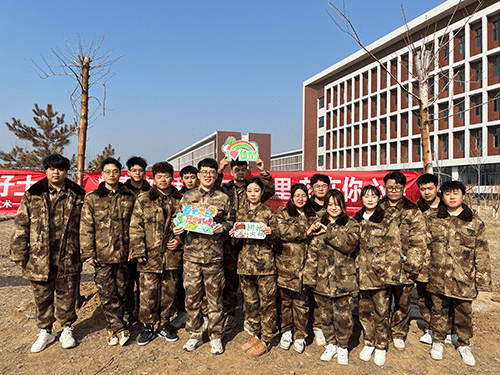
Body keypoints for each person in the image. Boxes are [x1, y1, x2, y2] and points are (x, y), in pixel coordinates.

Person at [10, 154, 86, 353]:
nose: (56, 172)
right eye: (52, 168)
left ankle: (67, 328)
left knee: (67, 294)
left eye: (60, 169)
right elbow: (21, 223)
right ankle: (45, 330)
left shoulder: (78, 194)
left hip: (68, 254)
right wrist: (19, 253)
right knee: (42, 296)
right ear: (46, 170)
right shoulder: (33, 194)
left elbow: (86, 226)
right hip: (38, 256)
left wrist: (86, 252)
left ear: (65, 171)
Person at [173, 158, 234, 355]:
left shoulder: (224, 198)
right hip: (191, 256)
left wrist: (223, 227)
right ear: (198, 175)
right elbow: (178, 219)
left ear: (216, 175)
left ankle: (216, 335)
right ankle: (195, 334)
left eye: (211, 172)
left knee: (215, 298)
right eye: (204, 172)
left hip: (214, 256)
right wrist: (178, 228)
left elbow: (231, 221)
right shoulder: (187, 197)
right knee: (192, 297)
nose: (208, 175)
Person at [427, 181, 491, 366]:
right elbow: (424, 246)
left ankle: (463, 343)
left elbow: (482, 252)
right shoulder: (433, 219)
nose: (452, 197)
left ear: (463, 195)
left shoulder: (475, 221)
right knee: (438, 310)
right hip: (438, 276)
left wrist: (482, 280)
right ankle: (438, 341)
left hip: (464, 278)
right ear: (442, 196)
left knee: (463, 312)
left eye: (456, 193)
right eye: (447, 193)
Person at [80, 157, 135, 346]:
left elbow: (136, 226)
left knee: (123, 291)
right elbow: (86, 226)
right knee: (106, 292)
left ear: (121, 174)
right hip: (102, 255)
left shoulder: (130, 196)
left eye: (115, 171)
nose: (111, 175)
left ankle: (117, 325)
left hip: (124, 254)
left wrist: (134, 249)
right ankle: (116, 327)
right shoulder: (92, 197)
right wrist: (88, 253)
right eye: (107, 172)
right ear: (102, 174)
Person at [217, 157, 275, 333]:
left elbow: (269, 189)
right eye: (236, 169)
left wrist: (263, 171)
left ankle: (252, 320)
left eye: (243, 169)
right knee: (229, 280)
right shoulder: (225, 188)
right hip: (231, 239)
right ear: (232, 171)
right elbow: (213, 187)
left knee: (251, 285)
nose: (240, 172)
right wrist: (220, 168)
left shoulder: (254, 188)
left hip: (252, 244)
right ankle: (230, 314)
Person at [129, 162, 183, 346]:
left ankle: (164, 324)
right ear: (154, 178)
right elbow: (135, 226)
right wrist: (138, 250)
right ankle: (147, 327)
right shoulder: (144, 199)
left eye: (166, 176)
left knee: (169, 292)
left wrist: (180, 241)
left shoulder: (180, 199)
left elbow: (188, 227)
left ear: (172, 177)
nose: (163, 179)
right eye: (159, 176)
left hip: (171, 256)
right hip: (149, 256)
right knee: (147, 293)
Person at [304, 189, 360, 365]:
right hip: (322, 280)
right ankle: (332, 344)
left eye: (337, 204)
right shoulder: (317, 224)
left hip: (344, 280)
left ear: (342, 205)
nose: (333, 208)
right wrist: (309, 278)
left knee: (343, 316)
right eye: (330, 204)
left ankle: (343, 346)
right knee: (325, 316)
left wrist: (327, 233)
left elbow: (349, 245)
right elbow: (312, 254)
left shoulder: (351, 224)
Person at [378, 171, 427, 351]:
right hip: (380, 268)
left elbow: (419, 241)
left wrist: (412, 265)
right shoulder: (376, 207)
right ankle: (381, 333)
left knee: (402, 303)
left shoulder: (413, 210)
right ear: (385, 187)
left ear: (404, 188)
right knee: (380, 304)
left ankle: (398, 333)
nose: (393, 191)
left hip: (403, 268)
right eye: (390, 187)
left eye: (397, 188)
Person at [229, 177, 279, 356]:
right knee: (250, 303)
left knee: (267, 303)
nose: (253, 194)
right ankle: (256, 334)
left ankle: (266, 338)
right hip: (245, 265)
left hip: (265, 266)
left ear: (261, 193)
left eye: (256, 191)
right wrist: (233, 234)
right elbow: (235, 242)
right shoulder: (240, 213)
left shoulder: (269, 213)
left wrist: (270, 233)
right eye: (250, 191)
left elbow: (276, 239)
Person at [275, 184, 322, 354]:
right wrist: (305, 231)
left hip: (306, 267)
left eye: (303, 195)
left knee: (301, 304)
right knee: (285, 302)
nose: (300, 199)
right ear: (291, 197)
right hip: (286, 265)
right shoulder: (283, 212)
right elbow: (280, 231)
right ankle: (286, 331)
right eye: (297, 195)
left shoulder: (313, 214)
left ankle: (300, 335)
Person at [415, 173, 457, 346]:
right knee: (425, 298)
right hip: (423, 262)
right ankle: (431, 328)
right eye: (423, 189)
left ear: (437, 188)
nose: (426, 192)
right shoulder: (416, 208)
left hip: (445, 262)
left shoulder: (449, 206)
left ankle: (449, 330)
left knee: (448, 297)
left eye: (430, 188)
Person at [353, 185, 390, 366]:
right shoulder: (356, 219)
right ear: (361, 199)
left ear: (378, 198)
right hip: (361, 275)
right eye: (366, 196)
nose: (370, 199)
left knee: (381, 311)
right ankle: (369, 342)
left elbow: (394, 247)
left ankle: (381, 345)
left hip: (380, 275)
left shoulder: (386, 219)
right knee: (365, 311)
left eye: (373, 196)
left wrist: (390, 274)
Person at [170, 165, 200, 330]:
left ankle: (201, 315)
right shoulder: (177, 196)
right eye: (186, 177)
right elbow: (174, 221)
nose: (190, 180)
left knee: (199, 283)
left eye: (192, 177)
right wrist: (176, 239)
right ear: (181, 179)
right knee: (182, 283)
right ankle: (182, 312)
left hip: (200, 247)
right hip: (181, 247)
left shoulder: (204, 196)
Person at [124, 156, 151, 323]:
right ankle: (128, 312)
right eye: (134, 170)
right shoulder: (121, 190)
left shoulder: (151, 191)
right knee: (126, 282)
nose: (137, 173)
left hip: (145, 242)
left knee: (144, 282)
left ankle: (143, 313)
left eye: (140, 170)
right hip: (125, 242)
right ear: (129, 172)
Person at [308, 173, 331, 346]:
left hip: (328, 258)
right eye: (317, 186)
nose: (321, 188)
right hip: (306, 255)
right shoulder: (305, 205)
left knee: (322, 294)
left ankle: (319, 327)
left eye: (324, 185)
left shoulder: (334, 204)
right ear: (312, 188)